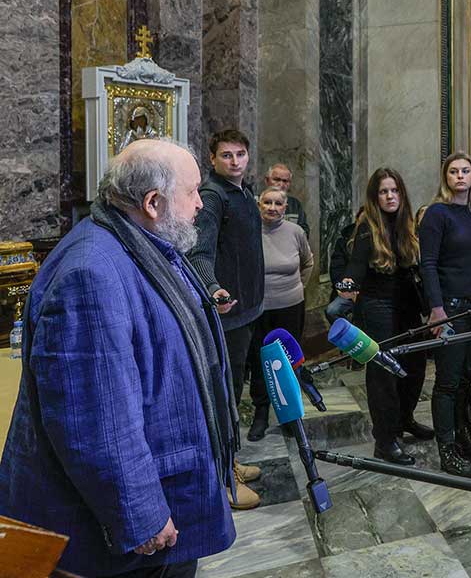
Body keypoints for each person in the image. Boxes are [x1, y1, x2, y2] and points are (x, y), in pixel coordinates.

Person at [0, 139, 237, 577]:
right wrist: (141, 513)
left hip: (165, 491)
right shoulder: (90, 273)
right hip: (118, 539)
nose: (201, 203)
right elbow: (95, 419)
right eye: (192, 192)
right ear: (153, 203)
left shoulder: (142, 242)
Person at [188, 128, 264, 510]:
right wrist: (213, 287)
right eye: (226, 155)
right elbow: (198, 252)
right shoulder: (213, 196)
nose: (234, 161)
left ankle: (232, 460)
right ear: (212, 159)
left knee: (236, 392)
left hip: (248, 312)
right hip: (227, 316)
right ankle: (225, 476)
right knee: (226, 396)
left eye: (240, 154)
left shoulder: (243, 192)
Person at [419, 152, 471, 479]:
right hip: (452, 308)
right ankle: (447, 450)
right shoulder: (437, 214)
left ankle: (465, 438)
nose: (460, 176)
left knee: (468, 377)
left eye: (465, 171)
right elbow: (428, 264)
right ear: (446, 177)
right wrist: (436, 309)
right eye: (453, 171)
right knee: (448, 381)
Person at [343, 168, 431, 465]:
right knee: (384, 374)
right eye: (383, 192)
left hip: (407, 305)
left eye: (394, 191)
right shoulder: (367, 228)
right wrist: (347, 286)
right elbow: (355, 269)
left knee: (415, 367)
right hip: (377, 306)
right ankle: (385, 440)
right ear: (375, 197)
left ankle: (404, 419)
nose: (390, 196)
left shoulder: (407, 224)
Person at [245, 187, 314, 441]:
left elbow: (308, 262)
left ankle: (289, 415)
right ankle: (261, 413)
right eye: (267, 202)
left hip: (290, 306)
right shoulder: (250, 232)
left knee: (289, 360)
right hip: (259, 308)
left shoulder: (296, 232)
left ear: (285, 207)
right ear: (259, 205)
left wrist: (298, 287)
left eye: (277, 203)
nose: (272, 207)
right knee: (260, 359)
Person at [325, 208, 364, 325]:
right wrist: (347, 288)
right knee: (332, 310)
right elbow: (336, 269)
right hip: (349, 289)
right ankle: (350, 333)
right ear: (357, 220)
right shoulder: (344, 241)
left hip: (370, 292)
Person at [263, 163, 310, 236]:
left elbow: (304, 232)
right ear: (267, 180)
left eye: (285, 181)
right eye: (277, 179)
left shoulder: (295, 204)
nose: (281, 184)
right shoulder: (255, 202)